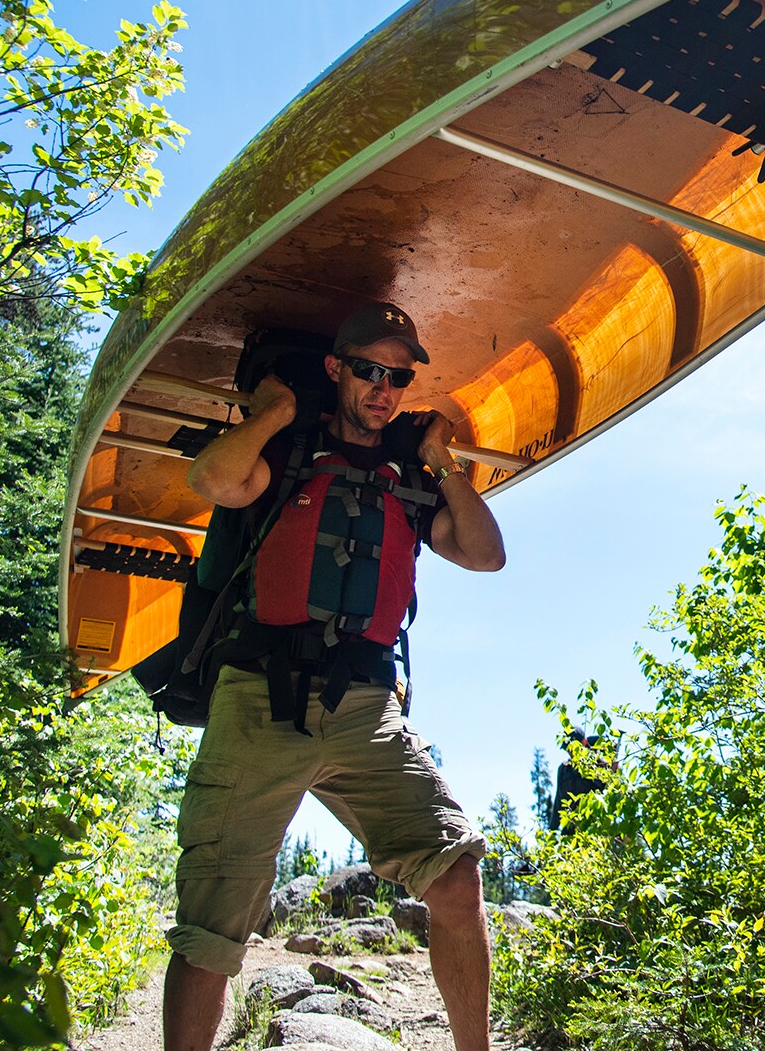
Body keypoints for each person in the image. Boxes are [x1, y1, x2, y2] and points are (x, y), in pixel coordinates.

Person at [163, 301, 506, 1051]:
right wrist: (275, 412)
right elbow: (213, 480)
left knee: (456, 878)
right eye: (367, 370)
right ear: (336, 369)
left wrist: (443, 461)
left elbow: (486, 554)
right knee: (212, 930)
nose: (383, 387)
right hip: (260, 699)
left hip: (366, 712)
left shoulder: (412, 481)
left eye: (398, 376)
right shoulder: (288, 454)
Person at [547, 727, 608, 835]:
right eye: (568, 748)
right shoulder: (564, 769)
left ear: (584, 742)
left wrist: (613, 772)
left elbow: (607, 795)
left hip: (593, 828)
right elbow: (558, 800)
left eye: (572, 747)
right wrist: (552, 831)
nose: (570, 751)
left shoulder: (599, 765)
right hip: (569, 828)